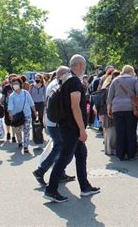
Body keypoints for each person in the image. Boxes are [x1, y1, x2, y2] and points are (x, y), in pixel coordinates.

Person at [44, 54, 100, 203]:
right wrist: (82, 129)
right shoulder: (73, 81)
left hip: (67, 125)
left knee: (81, 154)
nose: (85, 68)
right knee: (64, 157)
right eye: (84, 65)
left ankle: (85, 186)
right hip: (71, 127)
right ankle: (51, 190)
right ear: (80, 65)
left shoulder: (66, 78)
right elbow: (75, 106)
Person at [33, 66, 75, 187]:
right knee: (59, 146)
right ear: (63, 74)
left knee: (60, 147)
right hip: (55, 122)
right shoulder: (58, 85)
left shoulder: (52, 84)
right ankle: (41, 170)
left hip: (51, 120)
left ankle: (59, 172)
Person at [107, 65, 138, 161]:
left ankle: (120, 154)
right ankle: (131, 154)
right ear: (131, 71)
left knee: (120, 132)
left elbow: (110, 96)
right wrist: (136, 97)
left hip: (117, 109)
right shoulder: (134, 79)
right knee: (131, 131)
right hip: (130, 109)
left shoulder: (115, 80)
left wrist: (109, 109)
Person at [8, 77, 36, 153]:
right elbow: (10, 106)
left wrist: (34, 111)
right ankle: (20, 142)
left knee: (26, 130)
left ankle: (26, 146)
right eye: (13, 84)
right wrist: (10, 114)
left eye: (16, 83)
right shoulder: (12, 96)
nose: (15, 85)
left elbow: (31, 102)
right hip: (16, 116)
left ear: (20, 84)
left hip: (27, 114)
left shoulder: (25, 93)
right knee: (18, 130)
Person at [99, 71, 120, 155]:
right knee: (111, 130)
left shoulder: (108, 86)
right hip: (109, 111)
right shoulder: (111, 87)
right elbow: (108, 101)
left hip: (107, 110)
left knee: (109, 130)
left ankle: (109, 149)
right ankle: (111, 149)